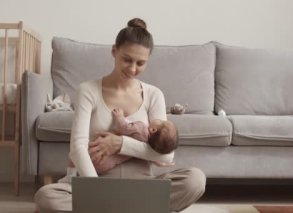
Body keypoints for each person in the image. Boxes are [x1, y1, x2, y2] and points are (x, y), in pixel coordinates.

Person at [34, 18, 206, 213]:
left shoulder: (154, 94)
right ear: (114, 51)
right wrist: (96, 189)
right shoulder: (88, 90)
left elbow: (167, 155)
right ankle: (131, 207)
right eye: (127, 59)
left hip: (142, 186)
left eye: (140, 63)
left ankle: (112, 207)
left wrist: (120, 144)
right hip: (96, 183)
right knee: (46, 196)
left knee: (195, 180)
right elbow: (77, 146)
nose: (133, 69)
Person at [58, 108, 178, 182]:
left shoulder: (141, 128)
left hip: (99, 151)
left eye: (161, 122)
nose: (160, 119)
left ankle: (70, 177)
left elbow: (124, 127)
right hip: (107, 164)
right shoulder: (148, 145)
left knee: (74, 156)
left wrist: (119, 116)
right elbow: (147, 155)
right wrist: (158, 161)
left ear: (152, 130)